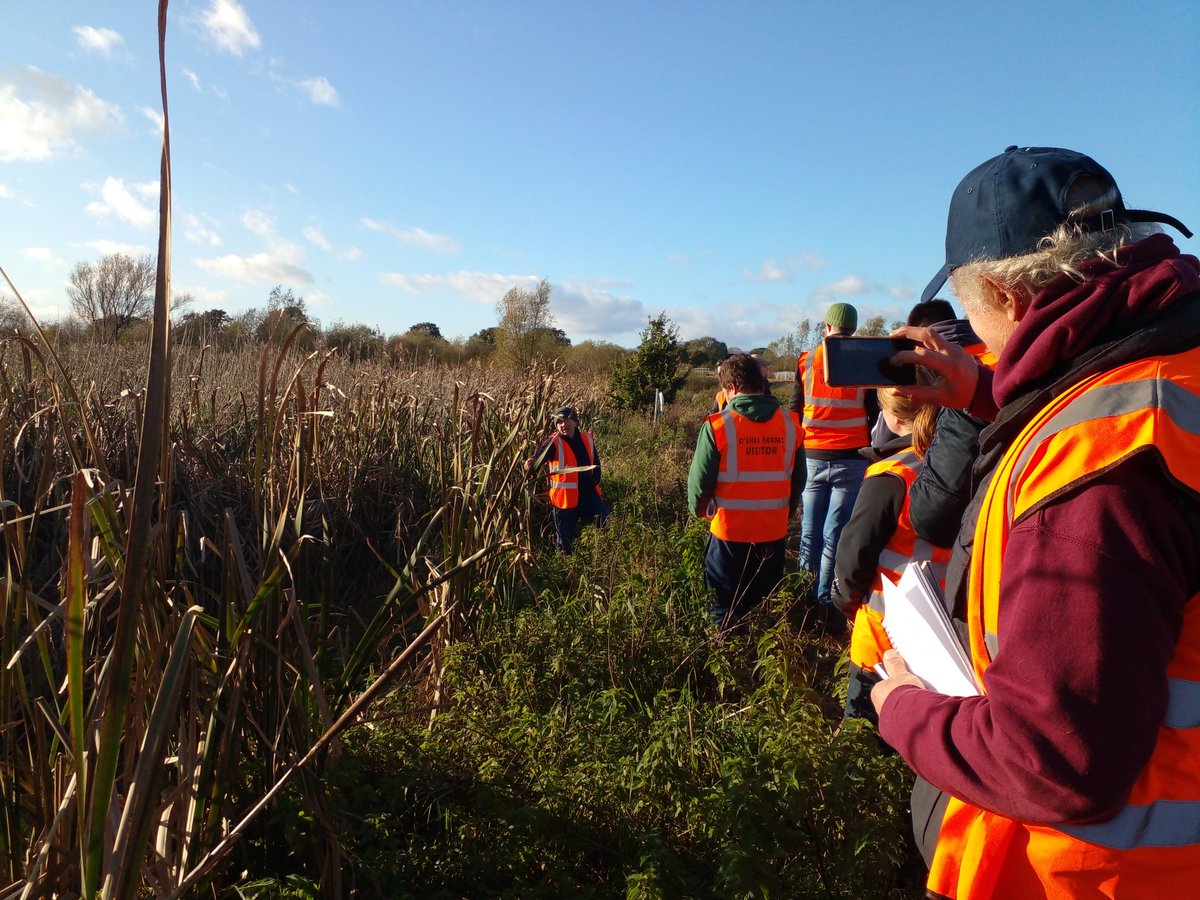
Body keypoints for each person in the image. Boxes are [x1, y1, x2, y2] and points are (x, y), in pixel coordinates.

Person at [871, 145, 1199, 897]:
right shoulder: (1176, 364)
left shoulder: (1098, 472)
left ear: (1004, 296)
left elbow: (1054, 759)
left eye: (971, 315)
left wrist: (901, 709)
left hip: (1114, 877)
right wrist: (984, 393)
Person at [831, 384, 949, 723]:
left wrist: (844, 603)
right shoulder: (971, 464)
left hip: (885, 639)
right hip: (952, 635)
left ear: (894, 418)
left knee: (863, 744)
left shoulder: (891, 475)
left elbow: (852, 560)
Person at [688, 353, 804, 626]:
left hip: (729, 533)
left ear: (732, 388)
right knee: (764, 603)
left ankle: (726, 654)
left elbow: (700, 483)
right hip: (773, 532)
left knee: (722, 605)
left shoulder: (717, 426)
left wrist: (699, 510)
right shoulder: (791, 424)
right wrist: (784, 515)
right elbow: (799, 480)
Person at [790, 302, 878, 622]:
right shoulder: (864, 361)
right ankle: (824, 600)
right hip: (852, 458)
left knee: (809, 532)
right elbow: (875, 412)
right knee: (834, 534)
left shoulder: (805, 360)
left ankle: (801, 595)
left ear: (827, 327)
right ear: (852, 329)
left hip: (812, 455)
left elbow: (795, 409)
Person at [525, 406, 609, 554]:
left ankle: (608, 556)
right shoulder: (553, 442)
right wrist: (532, 460)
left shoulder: (586, 438)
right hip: (565, 502)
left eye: (567, 419)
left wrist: (595, 480)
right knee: (564, 544)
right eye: (559, 422)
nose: (563, 424)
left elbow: (596, 461)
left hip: (590, 496)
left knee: (608, 526)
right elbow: (540, 455)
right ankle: (565, 569)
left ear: (575, 422)